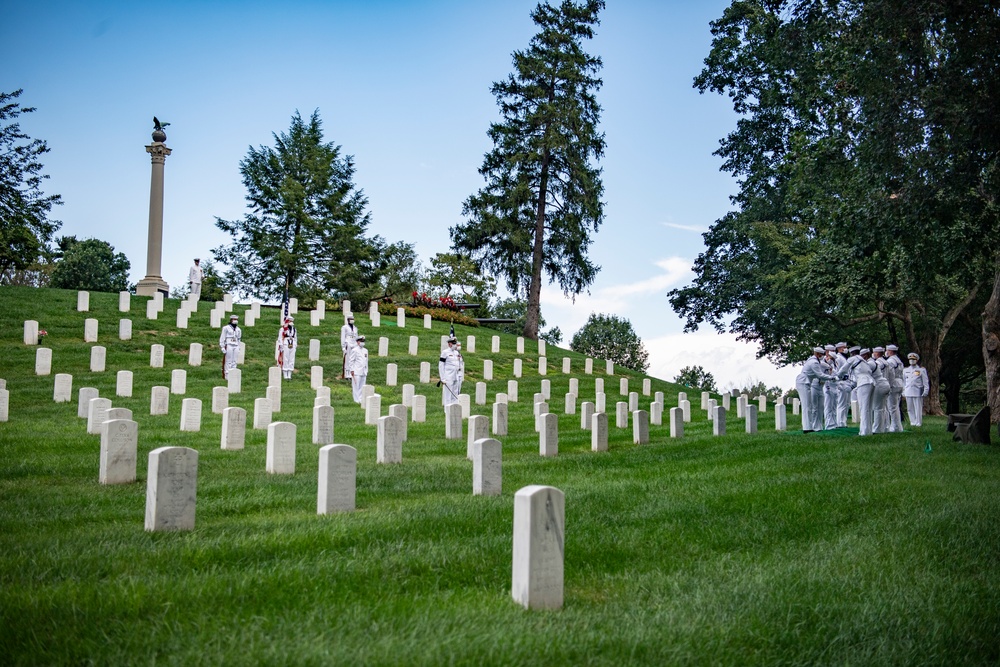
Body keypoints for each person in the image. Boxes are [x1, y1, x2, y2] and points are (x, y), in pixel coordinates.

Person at [840, 348, 875, 436]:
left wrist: (836, 377)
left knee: (863, 408)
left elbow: (843, 370)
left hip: (863, 382)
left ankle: (864, 432)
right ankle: (868, 430)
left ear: (851, 353)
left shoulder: (852, 359)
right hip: (871, 382)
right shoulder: (863, 361)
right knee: (868, 408)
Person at [795, 347, 827, 432]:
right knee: (806, 406)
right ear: (817, 354)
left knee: (808, 405)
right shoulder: (814, 362)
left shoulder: (814, 361)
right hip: (803, 382)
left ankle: (809, 426)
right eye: (822, 354)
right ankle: (806, 427)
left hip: (806, 382)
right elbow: (820, 375)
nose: (823, 356)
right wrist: (832, 377)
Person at [903, 352, 929, 426]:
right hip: (908, 390)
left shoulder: (921, 370)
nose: (912, 360)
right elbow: (904, 381)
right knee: (909, 408)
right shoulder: (905, 370)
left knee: (918, 407)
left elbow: (925, 381)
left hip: (917, 391)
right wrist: (903, 390)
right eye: (910, 359)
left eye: (913, 359)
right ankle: (912, 421)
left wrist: (926, 390)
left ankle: (918, 422)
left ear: (917, 360)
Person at [884, 344, 905, 432]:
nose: (886, 352)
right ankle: (898, 426)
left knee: (892, 407)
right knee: (895, 406)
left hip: (894, 384)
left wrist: (889, 384)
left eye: (888, 351)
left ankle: (895, 427)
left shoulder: (891, 361)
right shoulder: (898, 360)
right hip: (900, 383)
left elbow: (891, 374)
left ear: (891, 351)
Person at [438, 336, 463, 407]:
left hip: (457, 376)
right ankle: (447, 410)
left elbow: (460, 364)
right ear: (449, 344)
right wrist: (442, 378)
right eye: (453, 343)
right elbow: (441, 365)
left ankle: (455, 409)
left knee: (455, 394)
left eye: (455, 343)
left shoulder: (457, 353)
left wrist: (460, 375)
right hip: (448, 376)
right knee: (448, 395)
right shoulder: (445, 352)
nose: (455, 345)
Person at [871, 346, 891, 433]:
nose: (873, 354)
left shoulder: (878, 363)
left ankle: (877, 428)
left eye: (874, 352)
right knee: (884, 408)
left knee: (877, 408)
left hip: (879, 384)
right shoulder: (886, 362)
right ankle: (886, 426)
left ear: (877, 353)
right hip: (886, 383)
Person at [219, 314, 241, 379]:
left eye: (236, 320)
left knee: (234, 360)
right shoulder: (226, 328)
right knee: (228, 360)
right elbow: (222, 337)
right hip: (229, 344)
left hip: (236, 344)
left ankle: (233, 375)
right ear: (231, 320)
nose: (235, 321)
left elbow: (239, 338)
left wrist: (239, 347)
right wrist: (222, 346)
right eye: (234, 319)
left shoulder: (238, 329)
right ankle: (227, 375)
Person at [347, 334, 368, 404]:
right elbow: (351, 361)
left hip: (363, 371)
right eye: (361, 341)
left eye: (363, 341)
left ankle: (361, 399)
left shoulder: (365, 350)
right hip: (356, 371)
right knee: (356, 386)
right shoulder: (354, 350)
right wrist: (352, 370)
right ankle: (356, 400)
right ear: (357, 342)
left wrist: (366, 370)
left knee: (362, 386)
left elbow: (366, 361)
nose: (362, 342)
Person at [275, 316, 297, 380]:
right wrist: (281, 346)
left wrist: (295, 345)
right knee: (285, 358)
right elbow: (280, 338)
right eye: (290, 321)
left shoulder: (294, 329)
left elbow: (295, 338)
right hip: (286, 343)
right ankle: (285, 372)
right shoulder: (282, 329)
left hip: (292, 343)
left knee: (291, 358)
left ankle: (289, 373)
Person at [340, 314, 358, 380]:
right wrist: (343, 347)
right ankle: (347, 374)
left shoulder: (355, 328)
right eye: (351, 319)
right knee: (347, 359)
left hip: (354, 344)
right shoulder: (344, 327)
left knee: (353, 359)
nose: (352, 320)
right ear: (348, 320)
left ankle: (352, 373)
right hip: (348, 344)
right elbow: (343, 337)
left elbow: (356, 337)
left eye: (353, 319)